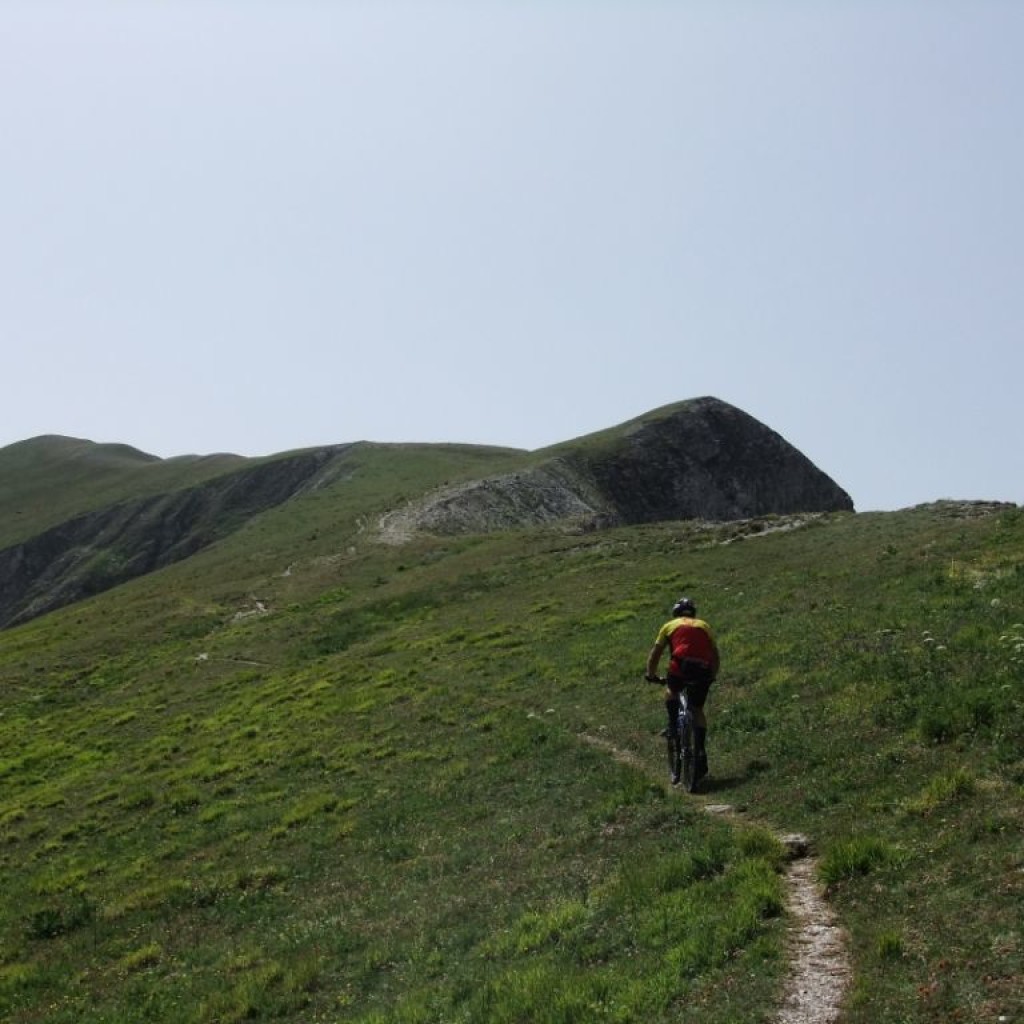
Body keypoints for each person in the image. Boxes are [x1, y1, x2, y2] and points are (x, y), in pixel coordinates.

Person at [645, 597, 719, 784]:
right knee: (697, 709)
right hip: (703, 670)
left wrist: (651, 674)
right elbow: (715, 654)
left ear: (675, 613)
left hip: (679, 668)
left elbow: (656, 653)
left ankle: (672, 725)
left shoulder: (669, 626)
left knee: (671, 690)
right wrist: (712, 675)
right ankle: (700, 750)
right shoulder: (704, 625)